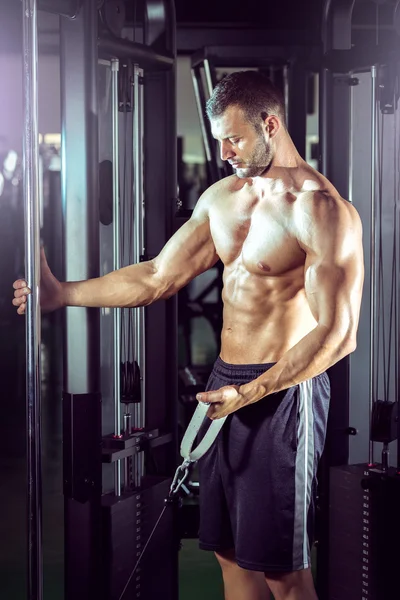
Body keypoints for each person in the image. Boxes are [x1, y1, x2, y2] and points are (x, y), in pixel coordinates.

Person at [13, 71, 364, 600]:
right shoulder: (224, 197)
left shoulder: (320, 210)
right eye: (218, 138)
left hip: (283, 393)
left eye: (235, 138)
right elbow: (158, 276)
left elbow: (339, 335)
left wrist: (249, 393)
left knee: (282, 572)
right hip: (224, 384)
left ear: (270, 125)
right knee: (230, 555)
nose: (224, 152)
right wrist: (62, 293)